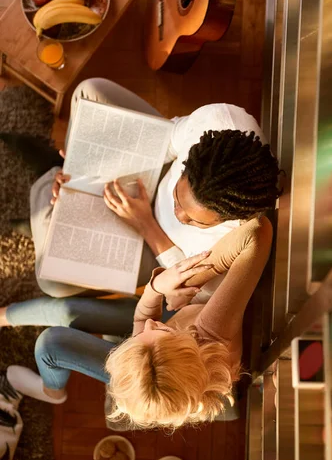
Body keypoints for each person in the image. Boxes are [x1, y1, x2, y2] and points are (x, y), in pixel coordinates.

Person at [6, 217, 272, 429]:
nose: (147, 326)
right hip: (183, 341)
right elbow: (257, 232)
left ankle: (51, 391)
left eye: (141, 338)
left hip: (162, 372)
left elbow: (142, 320)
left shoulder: (158, 352)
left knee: (51, 343)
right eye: (159, 332)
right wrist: (187, 276)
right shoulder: (213, 331)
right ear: (185, 342)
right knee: (64, 314)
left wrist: (156, 289)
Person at [30, 78, 280, 303]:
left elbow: (192, 288)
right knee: (89, 91)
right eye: (178, 199)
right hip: (153, 172)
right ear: (189, 164)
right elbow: (169, 140)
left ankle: (47, 182)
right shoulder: (218, 122)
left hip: (157, 244)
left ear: (229, 218)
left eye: (194, 220)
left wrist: (146, 224)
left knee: (49, 280)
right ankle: (55, 182)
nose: (179, 214)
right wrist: (91, 164)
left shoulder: (240, 242)